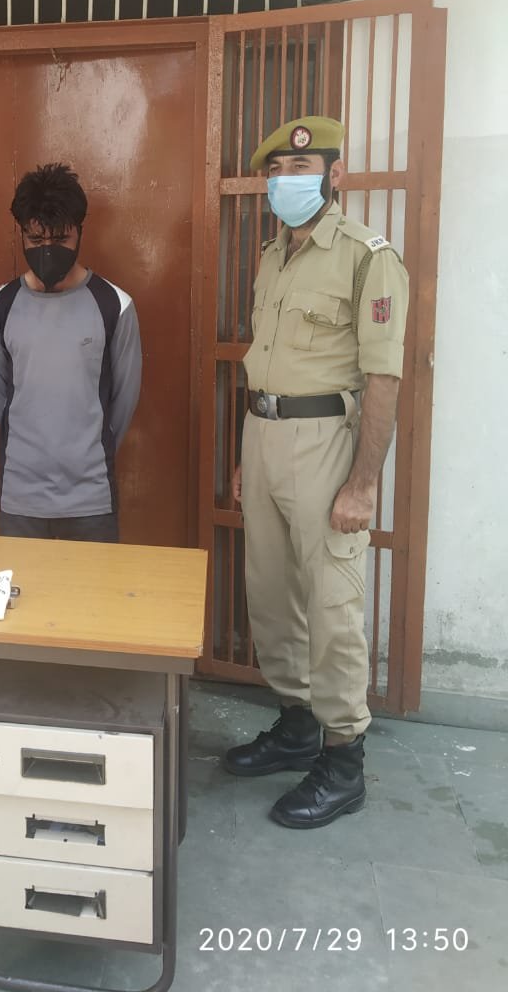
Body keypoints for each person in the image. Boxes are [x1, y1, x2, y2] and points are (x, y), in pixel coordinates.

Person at [225, 115, 409, 828]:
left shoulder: (367, 257)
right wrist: (246, 457)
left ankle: (342, 760)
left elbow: (382, 377)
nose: (285, 182)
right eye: (276, 172)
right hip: (264, 435)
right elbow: (267, 363)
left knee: (331, 604)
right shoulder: (273, 255)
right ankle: (297, 725)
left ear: (334, 175)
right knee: (271, 593)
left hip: (326, 441)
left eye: (300, 170)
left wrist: (363, 483)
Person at [0, 162, 142, 543]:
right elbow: (1, 400)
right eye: (36, 240)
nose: (47, 250)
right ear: (22, 233)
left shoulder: (114, 306)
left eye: (61, 239)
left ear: (80, 232)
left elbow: (124, 401)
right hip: (20, 500)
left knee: (94, 586)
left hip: (91, 501)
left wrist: (87, 452)